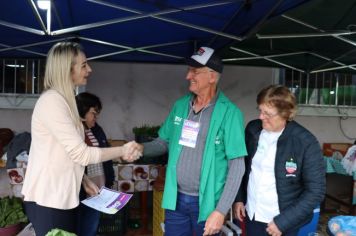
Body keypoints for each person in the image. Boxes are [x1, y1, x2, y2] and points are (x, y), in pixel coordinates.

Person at [21, 42, 141, 236]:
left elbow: (65, 153)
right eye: (84, 65)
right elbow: (81, 153)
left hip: (63, 196)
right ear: (67, 69)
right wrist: (123, 150)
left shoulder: (64, 101)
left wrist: (83, 179)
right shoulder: (52, 101)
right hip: (50, 199)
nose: (89, 69)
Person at [139, 46, 247, 235]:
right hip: (176, 198)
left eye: (194, 71)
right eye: (189, 70)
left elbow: (237, 166)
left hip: (208, 204)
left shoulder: (230, 114)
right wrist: (138, 148)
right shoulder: (181, 106)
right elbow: (162, 142)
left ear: (212, 76)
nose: (188, 76)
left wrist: (221, 211)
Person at [233, 85, 326, 236]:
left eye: (268, 113)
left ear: (286, 114)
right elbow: (242, 167)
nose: (261, 117)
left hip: (283, 221)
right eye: (260, 110)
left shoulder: (305, 142)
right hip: (253, 214)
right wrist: (239, 199)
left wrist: (283, 222)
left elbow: (316, 191)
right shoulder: (253, 129)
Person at [75, 92, 115, 236]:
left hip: (98, 191)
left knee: (91, 228)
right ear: (82, 112)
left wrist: (109, 180)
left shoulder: (97, 130)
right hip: (80, 193)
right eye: (93, 113)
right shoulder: (72, 133)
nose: (96, 117)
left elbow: (105, 155)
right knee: (77, 228)